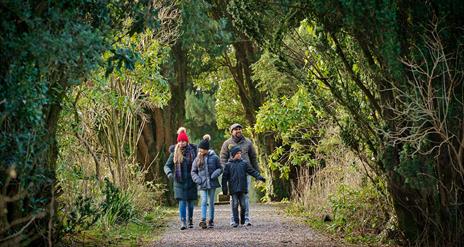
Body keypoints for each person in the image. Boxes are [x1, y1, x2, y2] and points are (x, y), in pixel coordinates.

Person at [220, 123, 259, 226]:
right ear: (231, 132)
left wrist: (257, 172)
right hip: (232, 175)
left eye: (239, 129)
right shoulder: (227, 143)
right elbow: (223, 159)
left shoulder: (248, 142)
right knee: (233, 198)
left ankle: (246, 219)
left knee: (245, 196)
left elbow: (253, 157)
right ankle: (233, 220)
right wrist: (226, 171)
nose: (238, 131)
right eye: (235, 129)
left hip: (245, 174)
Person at [222, 146, 265, 227]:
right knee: (234, 205)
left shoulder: (244, 163)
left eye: (240, 153)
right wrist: (224, 189)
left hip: (242, 188)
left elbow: (252, 171)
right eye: (237, 153)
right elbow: (224, 178)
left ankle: (242, 219)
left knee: (243, 205)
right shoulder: (228, 165)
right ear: (233, 154)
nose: (239, 155)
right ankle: (235, 221)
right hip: (233, 189)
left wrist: (259, 177)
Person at [164, 127, 198, 230]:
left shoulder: (193, 151)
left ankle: (190, 220)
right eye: (180, 141)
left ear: (187, 141)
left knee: (191, 203)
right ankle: (183, 221)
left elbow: (198, 164)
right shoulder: (174, 153)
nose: (182, 143)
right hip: (179, 181)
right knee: (182, 202)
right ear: (178, 142)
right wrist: (169, 173)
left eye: (183, 141)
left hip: (191, 181)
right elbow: (166, 166)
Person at [191, 134, 223, 229]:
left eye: (202, 149)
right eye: (199, 149)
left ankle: (211, 220)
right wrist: (198, 180)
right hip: (202, 184)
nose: (200, 151)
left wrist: (215, 174)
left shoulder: (214, 157)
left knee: (211, 202)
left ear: (206, 149)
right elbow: (193, 171)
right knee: (204, 200)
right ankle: (203, 219)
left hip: (212, 183)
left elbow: (220, 168)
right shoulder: (197, 159)